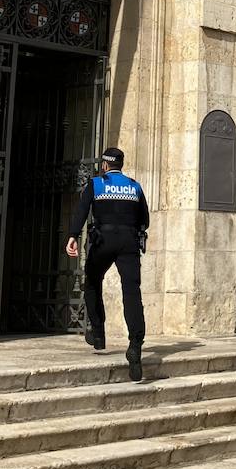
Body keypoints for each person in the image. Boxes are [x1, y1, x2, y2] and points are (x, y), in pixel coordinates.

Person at [65, 145, 149, 381]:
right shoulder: (134, 186)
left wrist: (72, 236)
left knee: (92, 281)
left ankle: (98, 332)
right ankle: (135, 346)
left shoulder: (96, 184)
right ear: (121, 165)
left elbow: (82, 211)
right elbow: (145, 219)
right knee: (132, 293)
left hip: (103, 241)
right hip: (129, 243)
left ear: (104, 165)